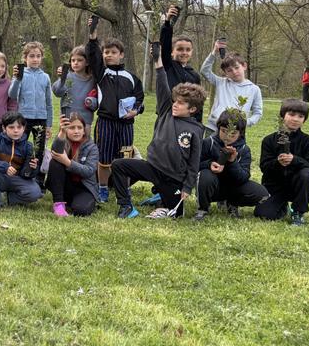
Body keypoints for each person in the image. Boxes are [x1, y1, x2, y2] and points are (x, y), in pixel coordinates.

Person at [110, 44, 205, 219]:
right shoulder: (166, 111)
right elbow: (162, 83)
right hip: (152, 168)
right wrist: (158, 61)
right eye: (175, 101)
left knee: (176, 213)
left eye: (181, 103)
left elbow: (194, 162)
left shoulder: (196, 129)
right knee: (118, 165)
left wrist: (187, 187)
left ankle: (162, 199)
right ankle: (126, 206)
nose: (175, 105)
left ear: (192, 109)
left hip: (173, 178)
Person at [86, 16, 145, 203]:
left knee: (125, 158)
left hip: (126, 125)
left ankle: (124, 189)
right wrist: (93, 35)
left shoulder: (132, 78)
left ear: (121, 55)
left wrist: (136, 111)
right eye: (106, 52)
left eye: (113, 52)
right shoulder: (102, 73)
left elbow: (140, 100)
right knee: (104, 158)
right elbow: (92, 54)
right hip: (105, 123)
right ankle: (103, 188)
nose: (108, 55)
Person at [193, 109, 269, 221]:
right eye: (223, 131)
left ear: (240, 133)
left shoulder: (244, 149)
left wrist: (232, 162)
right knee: (205, 176)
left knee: (262, 194)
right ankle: (202, 208)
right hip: (213, 186)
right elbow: (194, 165)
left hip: (233, 186)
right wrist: (209, 164)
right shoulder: (209, 143)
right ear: (218, 128)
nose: (227, 136)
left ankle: (232, 203)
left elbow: (244, 177)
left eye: (233, 133)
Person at [255, 99, 309, 225]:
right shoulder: (269, 140)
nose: (295, 119)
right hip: (274, 186)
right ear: (282, 116)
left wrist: (294, 160)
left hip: (297, 186)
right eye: (291, 114)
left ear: (304, 120)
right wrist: (277, 163)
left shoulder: (308, 141)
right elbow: (264, 167)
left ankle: (298, 211)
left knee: (306, 174)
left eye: (300, 116)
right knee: (263, 214)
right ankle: (282, 206)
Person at [8, 41, 53, 181]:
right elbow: (12, 95)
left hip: (41, 120)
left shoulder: (45, 77)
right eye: (32, 56)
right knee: (20, 147)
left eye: (38, 56)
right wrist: (17, 79)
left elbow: (49, 103)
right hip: (24, 119)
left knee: (39, 150)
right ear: (25, 58)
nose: (35, 59)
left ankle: (38, 179)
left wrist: (49, 124)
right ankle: (18, 176)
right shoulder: (20, 75)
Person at [200, 42, 263, 136]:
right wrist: (214, 53)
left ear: (244, 66)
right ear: (226, 73)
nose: (234, 72)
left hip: (236, 132)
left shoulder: (254, 89)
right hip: (213, 128)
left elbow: (257, 112)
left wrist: (246, 123)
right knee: (208, 146)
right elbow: (204, 71)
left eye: (237, 67)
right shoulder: (221, 83)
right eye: (229, 70)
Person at [0, 112, 42, 208]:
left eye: (19, 127)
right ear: (4, 128)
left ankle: (10, 199)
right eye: (11, 127)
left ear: (24, 128)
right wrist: (5, 167)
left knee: (35, 192)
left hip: (17, 178)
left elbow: (26, 174)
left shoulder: (28, 146)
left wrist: (32, 168)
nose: (16, 130)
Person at [45, 112, 99, 217]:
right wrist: (62, 132)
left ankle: (75, 203)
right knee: (55, 162)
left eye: (79, 128)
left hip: (84, 187)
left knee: (81, 211)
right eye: (72, 128)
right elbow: (55, 152)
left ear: (84, 130)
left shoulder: (92, 147)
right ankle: (59, 205)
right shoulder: (63, 140)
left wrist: (67, 162)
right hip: (65, 184)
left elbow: (88, 171)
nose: (76, 131)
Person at [52, 46, 95, 132]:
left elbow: (96, 102)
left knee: (85, 141)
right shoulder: (68, 77)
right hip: (67, 120)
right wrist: (62, 79)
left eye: (79, 60)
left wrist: (91, 102)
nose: (76, 63)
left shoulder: (92, 81)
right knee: (65, 141)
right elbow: (57, 92)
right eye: (73, 60)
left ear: (87, 62)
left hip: (85, 121)